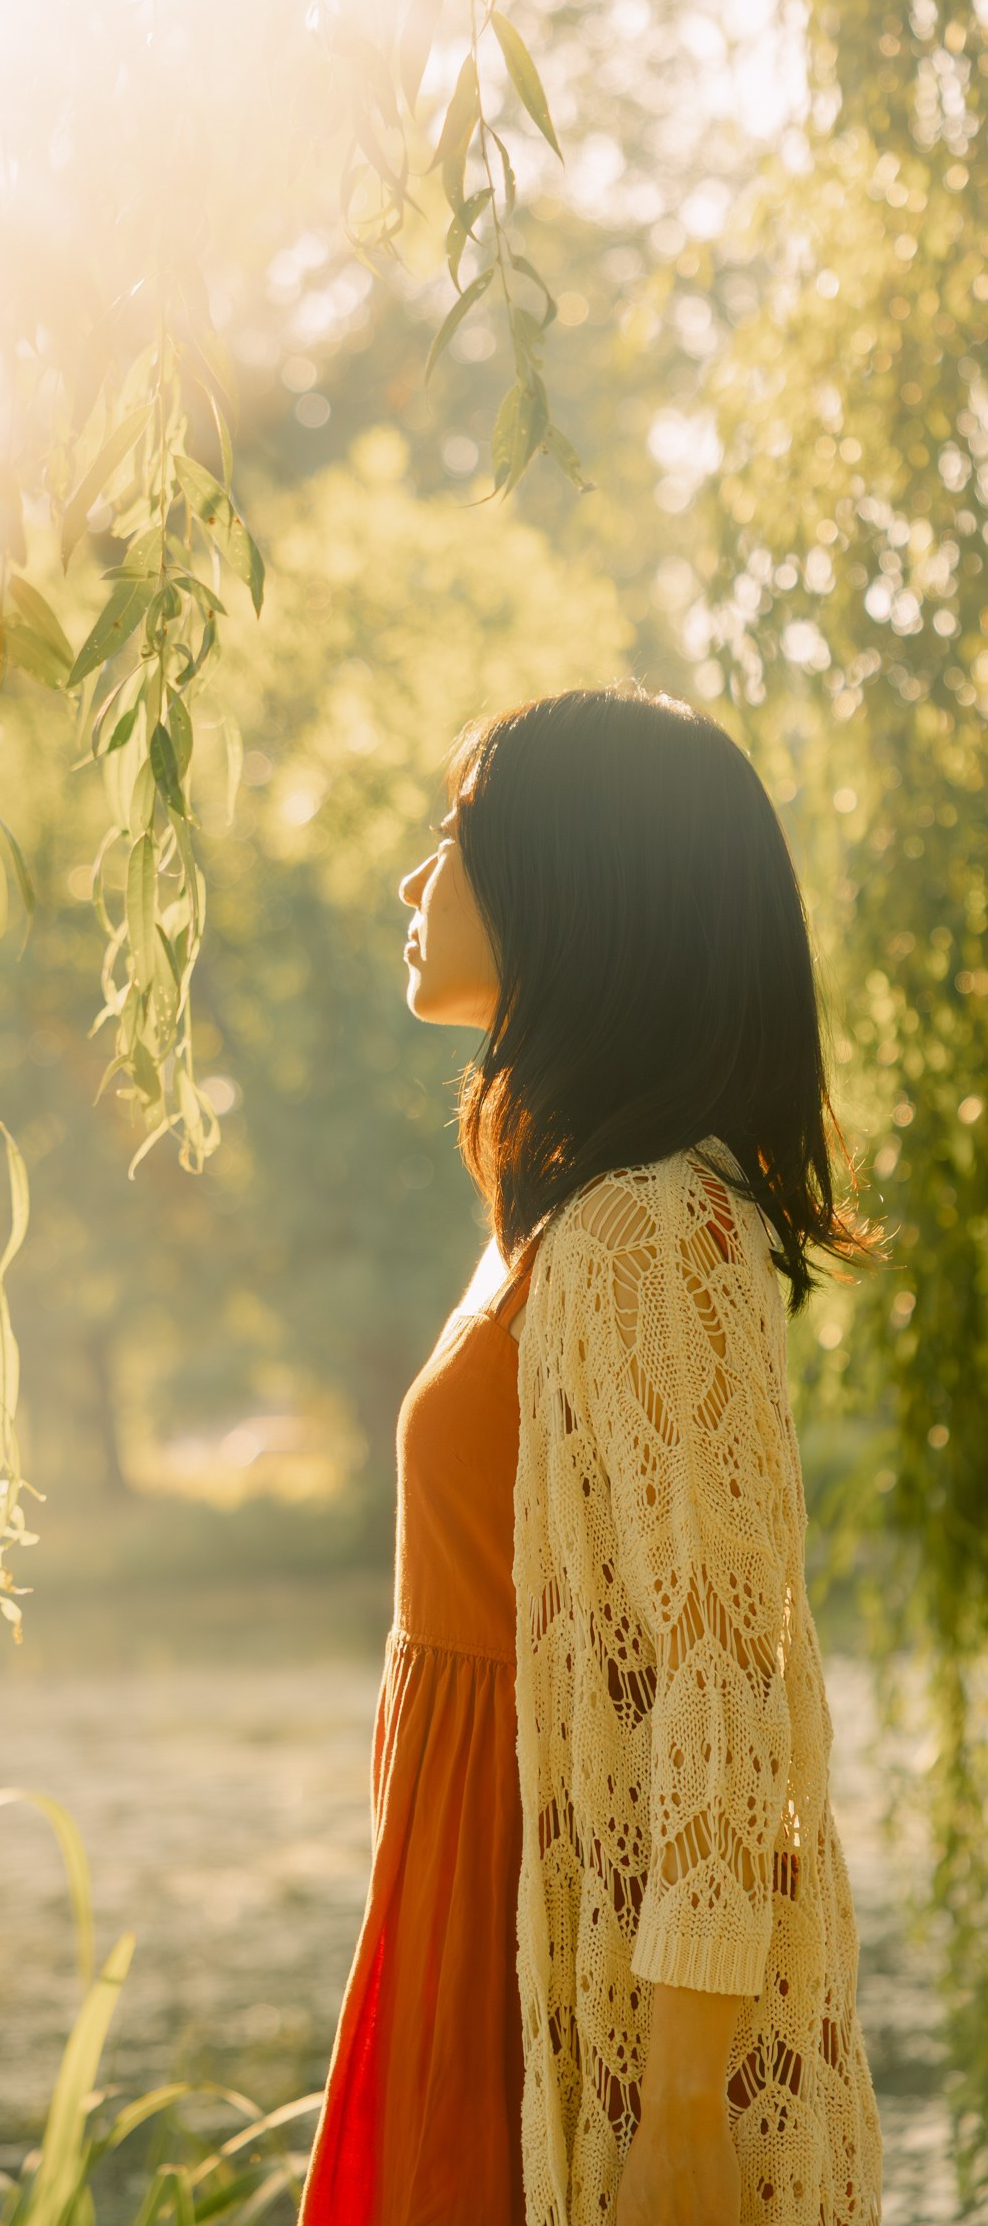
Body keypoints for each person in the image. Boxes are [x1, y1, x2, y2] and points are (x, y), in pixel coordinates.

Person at [301, 687, 882, 2226]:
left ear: (572, 881)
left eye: (456, 836)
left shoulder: (651, 1230)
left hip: (564, 1941)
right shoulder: (565, 1213)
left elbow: (724, 1671)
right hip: (470, 1891)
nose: (415, 878)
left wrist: (679, 2103)